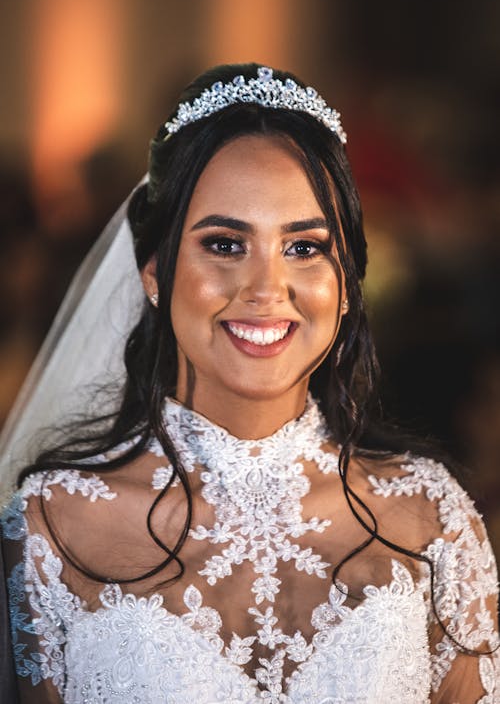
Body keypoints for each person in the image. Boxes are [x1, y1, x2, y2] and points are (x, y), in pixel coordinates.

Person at [0, 63, 498, 704]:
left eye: (304, 247)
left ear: (347, 281)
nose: (266, 292)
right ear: (154, 272)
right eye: (226, 244)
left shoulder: (433, 521)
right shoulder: (50, 532)